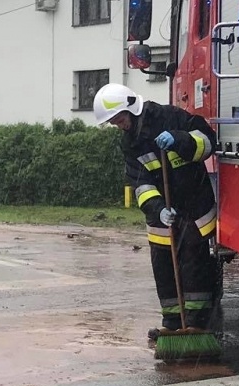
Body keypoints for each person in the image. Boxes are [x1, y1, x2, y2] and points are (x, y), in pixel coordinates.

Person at [91, 83, 220, 340]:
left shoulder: (169, 116)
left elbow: (208, 142)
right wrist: (159, 209)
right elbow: (140, 183)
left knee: (194, 265)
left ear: (131, 109)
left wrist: (179, 139)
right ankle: (172, 323)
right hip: (163, 213)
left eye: (120, 119)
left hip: (194, 205)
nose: (119, 125)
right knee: (163, 265)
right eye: (114, 123)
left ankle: (197, 323)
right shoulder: (129, 144)